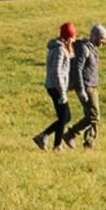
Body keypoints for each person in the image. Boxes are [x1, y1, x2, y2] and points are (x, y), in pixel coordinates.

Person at [34, 22, 77, 150]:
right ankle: (50, 140)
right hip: (56, 87)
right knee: (65, 116)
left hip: (53, 86)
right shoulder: (60, 50)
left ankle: (49, 140)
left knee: (65, 116)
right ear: (68, 38)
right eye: (73, 37)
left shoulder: (57, 48)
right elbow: (56, 71)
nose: (74, 41)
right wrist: (62, 92)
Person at [72, 23, 106, 149]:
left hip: (92, 85)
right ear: (95, 36)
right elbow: (77, 69)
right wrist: (81, 89)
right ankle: (71, 134)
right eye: (102, 38)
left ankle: (89, 143)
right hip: (86, 86)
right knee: (94, 116)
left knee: (92, 116)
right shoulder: (84, 48)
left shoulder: (91, 48)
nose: (103, 42)